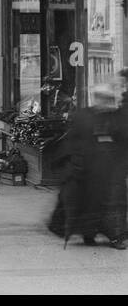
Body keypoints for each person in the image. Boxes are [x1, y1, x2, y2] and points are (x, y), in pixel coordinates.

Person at [50, 83, 128, 248]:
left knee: (113, 203)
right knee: (88, 203)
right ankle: (88, 233)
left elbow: (123, 141)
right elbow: (72, 139)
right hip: (89, 168)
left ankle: (116, 236)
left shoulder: (117, 117)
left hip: (111, 169)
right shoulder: (84, 116)